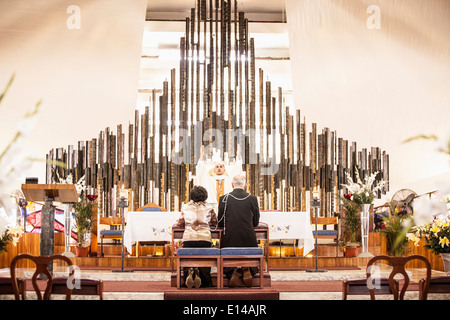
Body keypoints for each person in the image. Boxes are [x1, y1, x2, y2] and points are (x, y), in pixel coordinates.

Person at [217, 174, 260, 287]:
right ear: (245, 185)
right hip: (248, 238)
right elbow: (255, 222)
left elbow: (220, 221)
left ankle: (234, 271)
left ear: (232, 185)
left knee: (226, 264)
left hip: (230, 238)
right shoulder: (253, 198)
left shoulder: (224, 198)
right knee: (255, 263)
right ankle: (246, 269)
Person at [176, 186, 218, 288]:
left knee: (188, 257)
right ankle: (204, 279)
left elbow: (180, 222)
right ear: (205, 196)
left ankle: (189, 273)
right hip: (204, 239)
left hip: (189, 239)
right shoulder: (209, 208)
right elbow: (215, 221)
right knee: (205, 260)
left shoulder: (186, 207)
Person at [195, 145, 243, 212]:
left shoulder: (229, 179)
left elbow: (237, 170)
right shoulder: (209, 179)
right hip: (212, 208)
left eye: (221, 166)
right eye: (217, 167)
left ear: (224, 170)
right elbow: (201, 172)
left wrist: (238, 157)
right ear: (214, 170)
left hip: (227, 208)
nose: (219, 168)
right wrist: (201, 157)